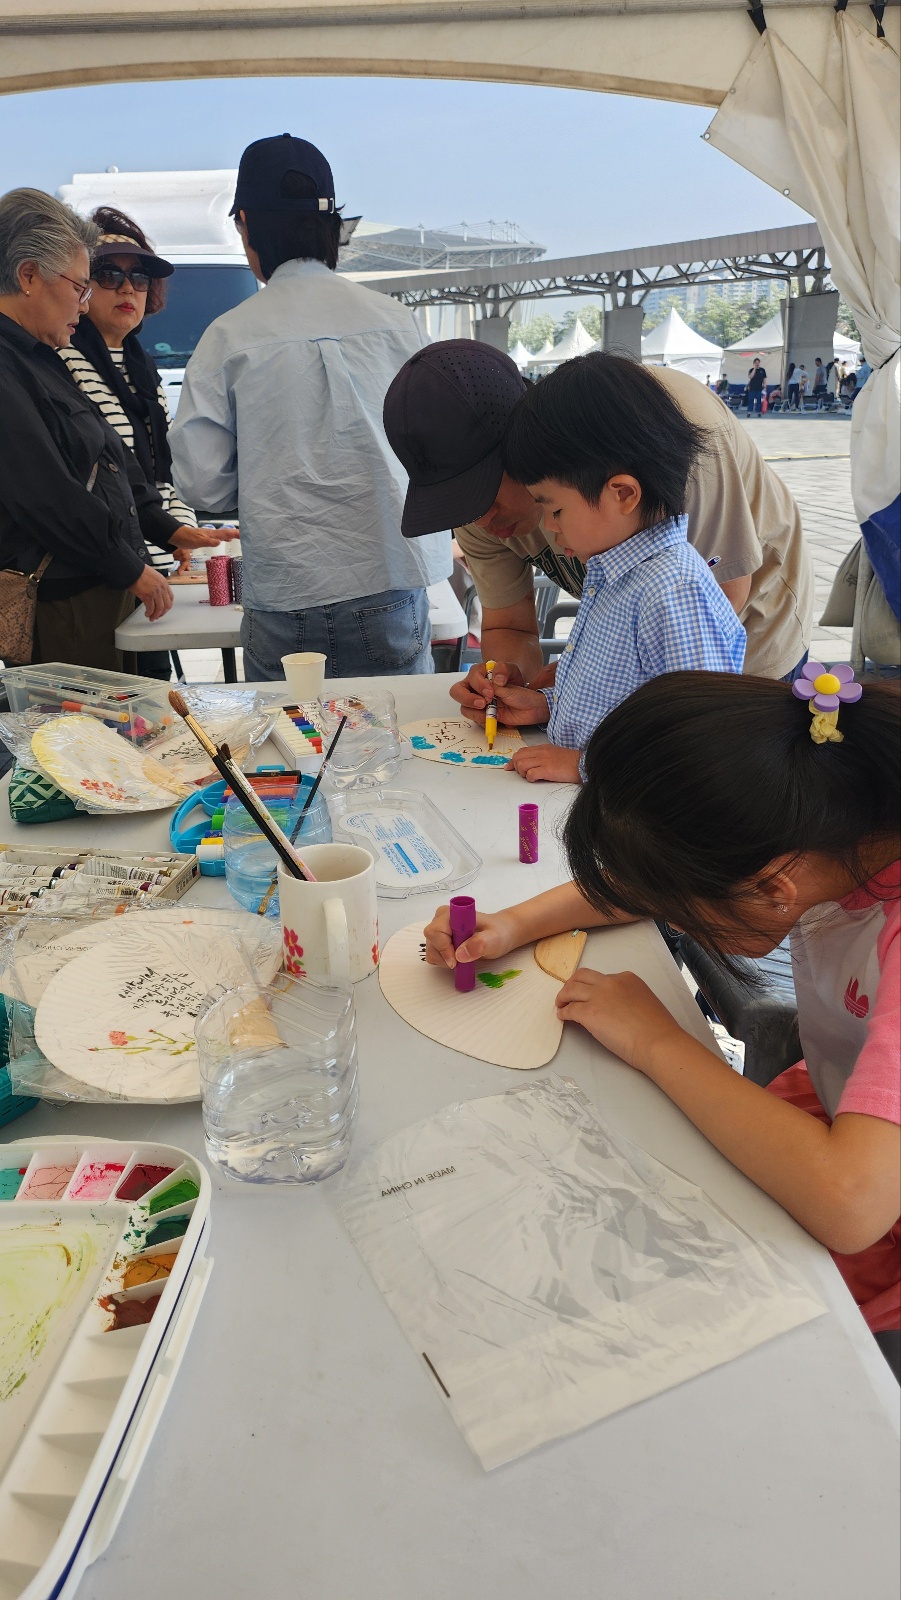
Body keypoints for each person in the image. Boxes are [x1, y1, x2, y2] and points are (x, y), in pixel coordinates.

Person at [423, 672, 900, 1376]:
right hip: (849, 1113)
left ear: (773, 888)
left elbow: (852, 1205)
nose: (667, 914)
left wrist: (656, 1040)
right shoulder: (830, 832)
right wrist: (515, 923)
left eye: (680, 908)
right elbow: (662, 878)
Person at [383, 341, 813, 705]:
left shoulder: (669, 435)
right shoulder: (483, 513)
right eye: (455, 505)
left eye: (482, 495)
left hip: (744, 654)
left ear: (525, 443)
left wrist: (584, 714)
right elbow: (509, 625)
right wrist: (505, 680)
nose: (479, 521)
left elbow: (707, 617)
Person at [170, 134, 450, 680]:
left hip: (287, 589)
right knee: (393, 733)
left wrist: (265, 480)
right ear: (332, 226)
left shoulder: (229, 336)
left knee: (287, 737)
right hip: (392, 577)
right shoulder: (399, 323)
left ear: (246, 224)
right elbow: (439, 452)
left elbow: (203, 487)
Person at [470, 354, 746, 784]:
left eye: (555, 509)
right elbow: (615, 695)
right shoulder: (615, 574)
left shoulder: (673, 591)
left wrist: (584, 765)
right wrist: (546, 705)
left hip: (630, 805)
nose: (549, 526)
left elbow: (699, 743)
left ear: (623, 494)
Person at [0, 188, 173, 669]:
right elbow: (44, 491)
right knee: (85, 718)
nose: (84, 303)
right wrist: (127, 565)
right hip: (65, 603)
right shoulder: (8, 364)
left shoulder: (40, 356)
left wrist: (158, 531)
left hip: (92, 590)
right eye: (81, 286)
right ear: (28, 276)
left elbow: (110, 457)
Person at [58, 206, 224, 678]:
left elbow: (160, 472)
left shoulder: (142, 366)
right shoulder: (63, 359)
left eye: (140, 276)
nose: (127, 288)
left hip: (151, 574)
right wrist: (166, 537)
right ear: (80, 284)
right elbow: (92, 481)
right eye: (108, 274)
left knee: (154, 695)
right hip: (103, 576)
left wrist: (183, 536)